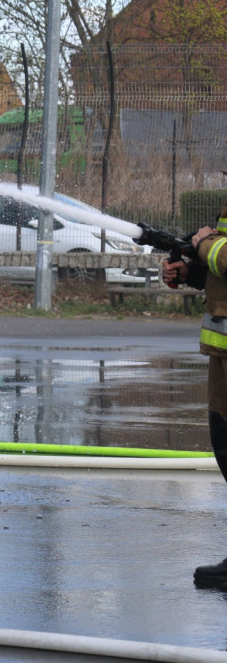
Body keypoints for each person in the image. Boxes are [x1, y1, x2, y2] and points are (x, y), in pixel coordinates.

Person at [162, 215, 227, 586]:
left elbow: (222, 252)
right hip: (221, 355)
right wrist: (189, 273)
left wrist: (204, 244)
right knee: (223, 440)